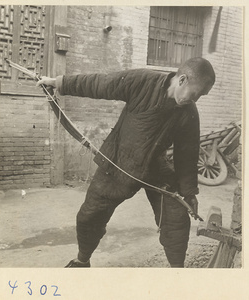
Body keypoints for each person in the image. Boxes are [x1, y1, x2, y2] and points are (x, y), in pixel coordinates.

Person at [37, 57, 215, 268]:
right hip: (119, 163)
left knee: (177, 220)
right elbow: (100, 84)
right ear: (182, 79)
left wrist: (190, 193)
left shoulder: (189, 112)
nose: (196, 100)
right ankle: (82, 261)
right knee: (89, 217)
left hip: (155, 168)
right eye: (196, 94)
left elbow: (187, 156)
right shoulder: (143, 82)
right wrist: (58, 82)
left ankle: (177, 273)